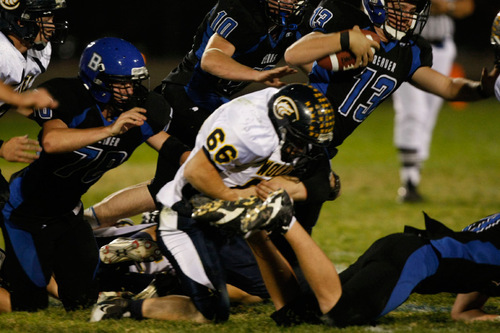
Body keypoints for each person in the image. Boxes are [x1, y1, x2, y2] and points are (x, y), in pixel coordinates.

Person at [89, 83, 338, 323]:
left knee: (259, 287)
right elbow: (197, 171)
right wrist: (237, 199)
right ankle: (120, 306)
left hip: (230, 218)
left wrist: (286, 190)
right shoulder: (249, 128)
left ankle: (165, 273)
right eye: (298, 141)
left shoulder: (290, 124)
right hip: (188, 216)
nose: (302, 150)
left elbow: (328, 185)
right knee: (211, 311)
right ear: (281, 124)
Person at [83, 0, 318, 229]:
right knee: (219, 174)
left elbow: (308, 62)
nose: (292, 2)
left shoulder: (289, 22)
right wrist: (256, 76)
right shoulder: (241, 11)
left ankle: (95, 221)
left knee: (167, 186)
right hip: (188, 96)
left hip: (215, 103)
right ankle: (156, 226)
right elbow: (211, 59)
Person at [280, 0, 498, 231]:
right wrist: (345, 39)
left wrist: (483, 88)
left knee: (295, 228)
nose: (407, 16)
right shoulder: (346, 20)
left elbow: (449, 87)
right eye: (402, 8)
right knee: (276, 218)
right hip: (292, 133)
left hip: (322, 148)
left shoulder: (409, 51)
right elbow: (294, 55)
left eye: (413, 11)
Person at [0, 37, 176, 312]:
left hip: (68, 214)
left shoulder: (138, 113)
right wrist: (109, 130)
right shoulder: (66, 95)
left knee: (82, 301)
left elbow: (169, 146)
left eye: (133, 82)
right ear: (98, 80)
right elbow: (52, 142)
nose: (130, 90)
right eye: (121, 83)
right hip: (26, 215)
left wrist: (203, 162)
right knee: (29, 305)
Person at [391, 0, 474, 203]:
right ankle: (409, 181)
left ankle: (413, 178)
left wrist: (447, 7)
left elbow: (467, 7)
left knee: (427, 116)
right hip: (405, 45)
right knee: (413, 111)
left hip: (441, 48)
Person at [0, 0, 67, 206]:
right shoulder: (3, 51)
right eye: (45, 18)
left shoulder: (36, 51)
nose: (51, 25)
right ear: (20, 20)